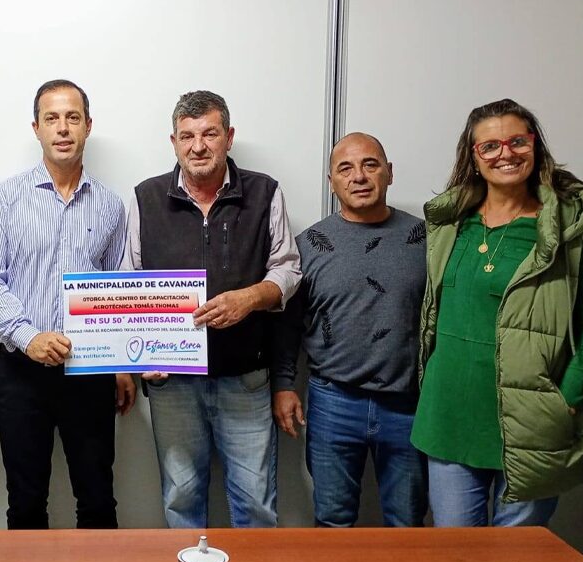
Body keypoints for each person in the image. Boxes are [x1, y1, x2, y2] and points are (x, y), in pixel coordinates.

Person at [123, 90, 301, 528]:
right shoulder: (146, 197)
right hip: (173, 385)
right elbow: (130, 283)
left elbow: (288, 269)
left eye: (210, 134)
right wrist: (142, 358)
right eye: (187, 136)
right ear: (174, 142)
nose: (198, 146)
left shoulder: (264, 192)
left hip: (246, 379)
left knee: (256, 503)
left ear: (229, 136)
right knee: (180, 499)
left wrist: (250, 298)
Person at [412, 98, 583, 526]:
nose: (505, 153)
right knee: (458, 556)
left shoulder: (568, 228)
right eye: (489, 146)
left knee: (516, 559)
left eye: (517, 141)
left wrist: (569, 400)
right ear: (473, 158)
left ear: (535, 145)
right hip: (450, 416)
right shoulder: (449, 222)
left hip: (531, 423)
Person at [0, 79, 133, 530]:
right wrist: (29, 337)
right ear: (37, 128)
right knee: (26, 503)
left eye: (72, 118)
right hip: (21, 374)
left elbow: (116, 290)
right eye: (52, 118)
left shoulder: (110, 205)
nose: (63, 128)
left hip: (90, 373)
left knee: (98, 500)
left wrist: (122, 364)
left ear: (87, 126)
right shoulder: (4, 198)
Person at [271, 132, 428, 527]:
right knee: (332, 522)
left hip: (409, 405)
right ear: (331, 181)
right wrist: (284, 385)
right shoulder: (309, 245)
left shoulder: (427, 241)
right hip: (333, 403)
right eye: (346, 168)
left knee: (408, 524)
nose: (358, 176)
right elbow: (288, 326)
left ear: (389, 173)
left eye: (370, 165)